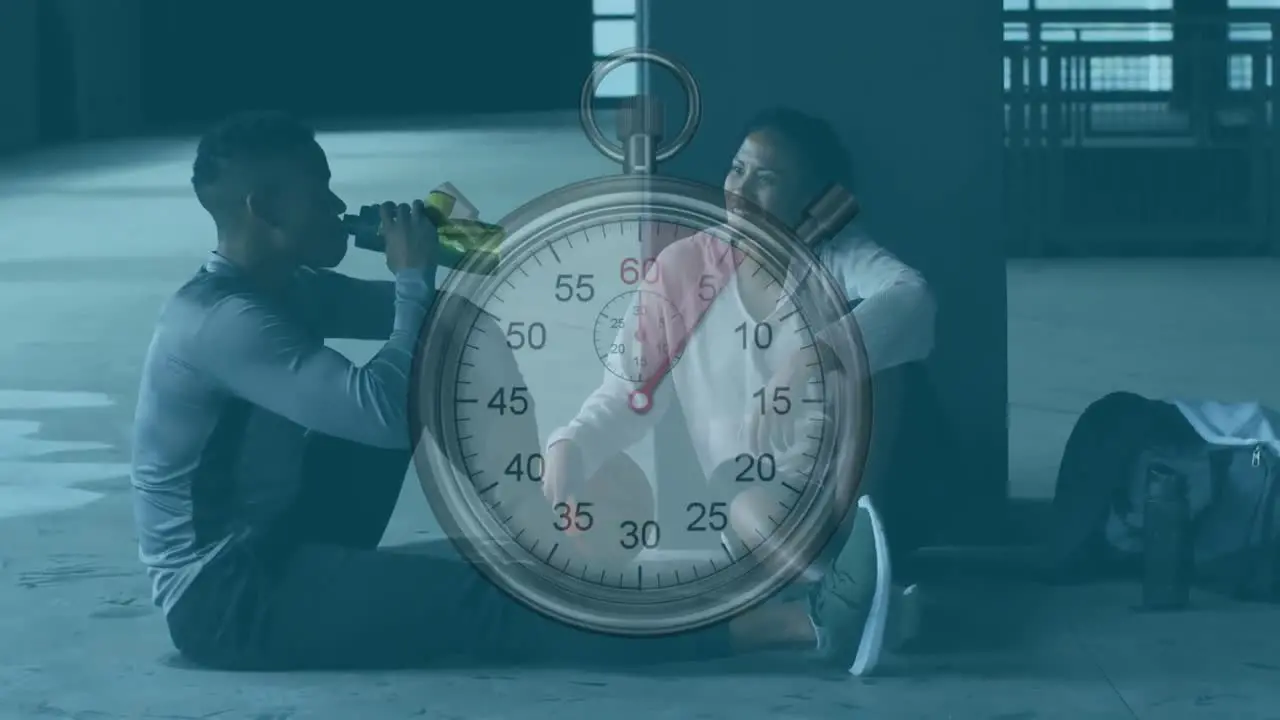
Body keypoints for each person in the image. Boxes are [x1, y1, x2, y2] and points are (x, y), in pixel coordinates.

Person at [129, 110, 876, 672]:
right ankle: (801, 625)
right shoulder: (220, 321)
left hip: (288, 531)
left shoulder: (286, 288)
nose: (336, 206)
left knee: (441, 346)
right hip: (229, 593)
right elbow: (386, 416)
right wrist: (412, 276)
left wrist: (467, 242)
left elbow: (455, 329)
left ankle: (540, 523)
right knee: (504, 605)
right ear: (264, 210)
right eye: (319, 195)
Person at [542, 106, 939, 676]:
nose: (741, 189)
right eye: (737, 169)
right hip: (752, 495)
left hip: (852, 487)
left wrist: (811, 356)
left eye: (767, 178)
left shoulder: (837, 255)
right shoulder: (684, 269)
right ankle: (849, 595)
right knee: (750, 498)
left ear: (811, 197)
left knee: (887, 350)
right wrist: (571, 444)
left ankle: (857, 569)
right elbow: (626, 392)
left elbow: (913, 296)